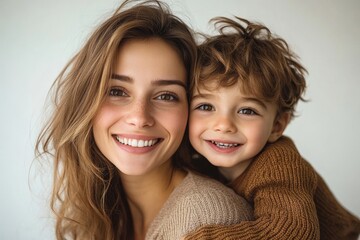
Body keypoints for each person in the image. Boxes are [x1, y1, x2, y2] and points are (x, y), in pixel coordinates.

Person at [35, 1, 254, 240]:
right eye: (117, 91)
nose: (139, 118)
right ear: (85, 100)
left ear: (192, 110)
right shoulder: (100, 205)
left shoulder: (208, 217)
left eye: (166, 96)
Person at [184, 16, 360, 240]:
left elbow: (294, 232)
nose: (223, 125)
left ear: (277, 125)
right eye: (206, 106)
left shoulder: (280, 164)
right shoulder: (200, 156)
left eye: (247, 111)